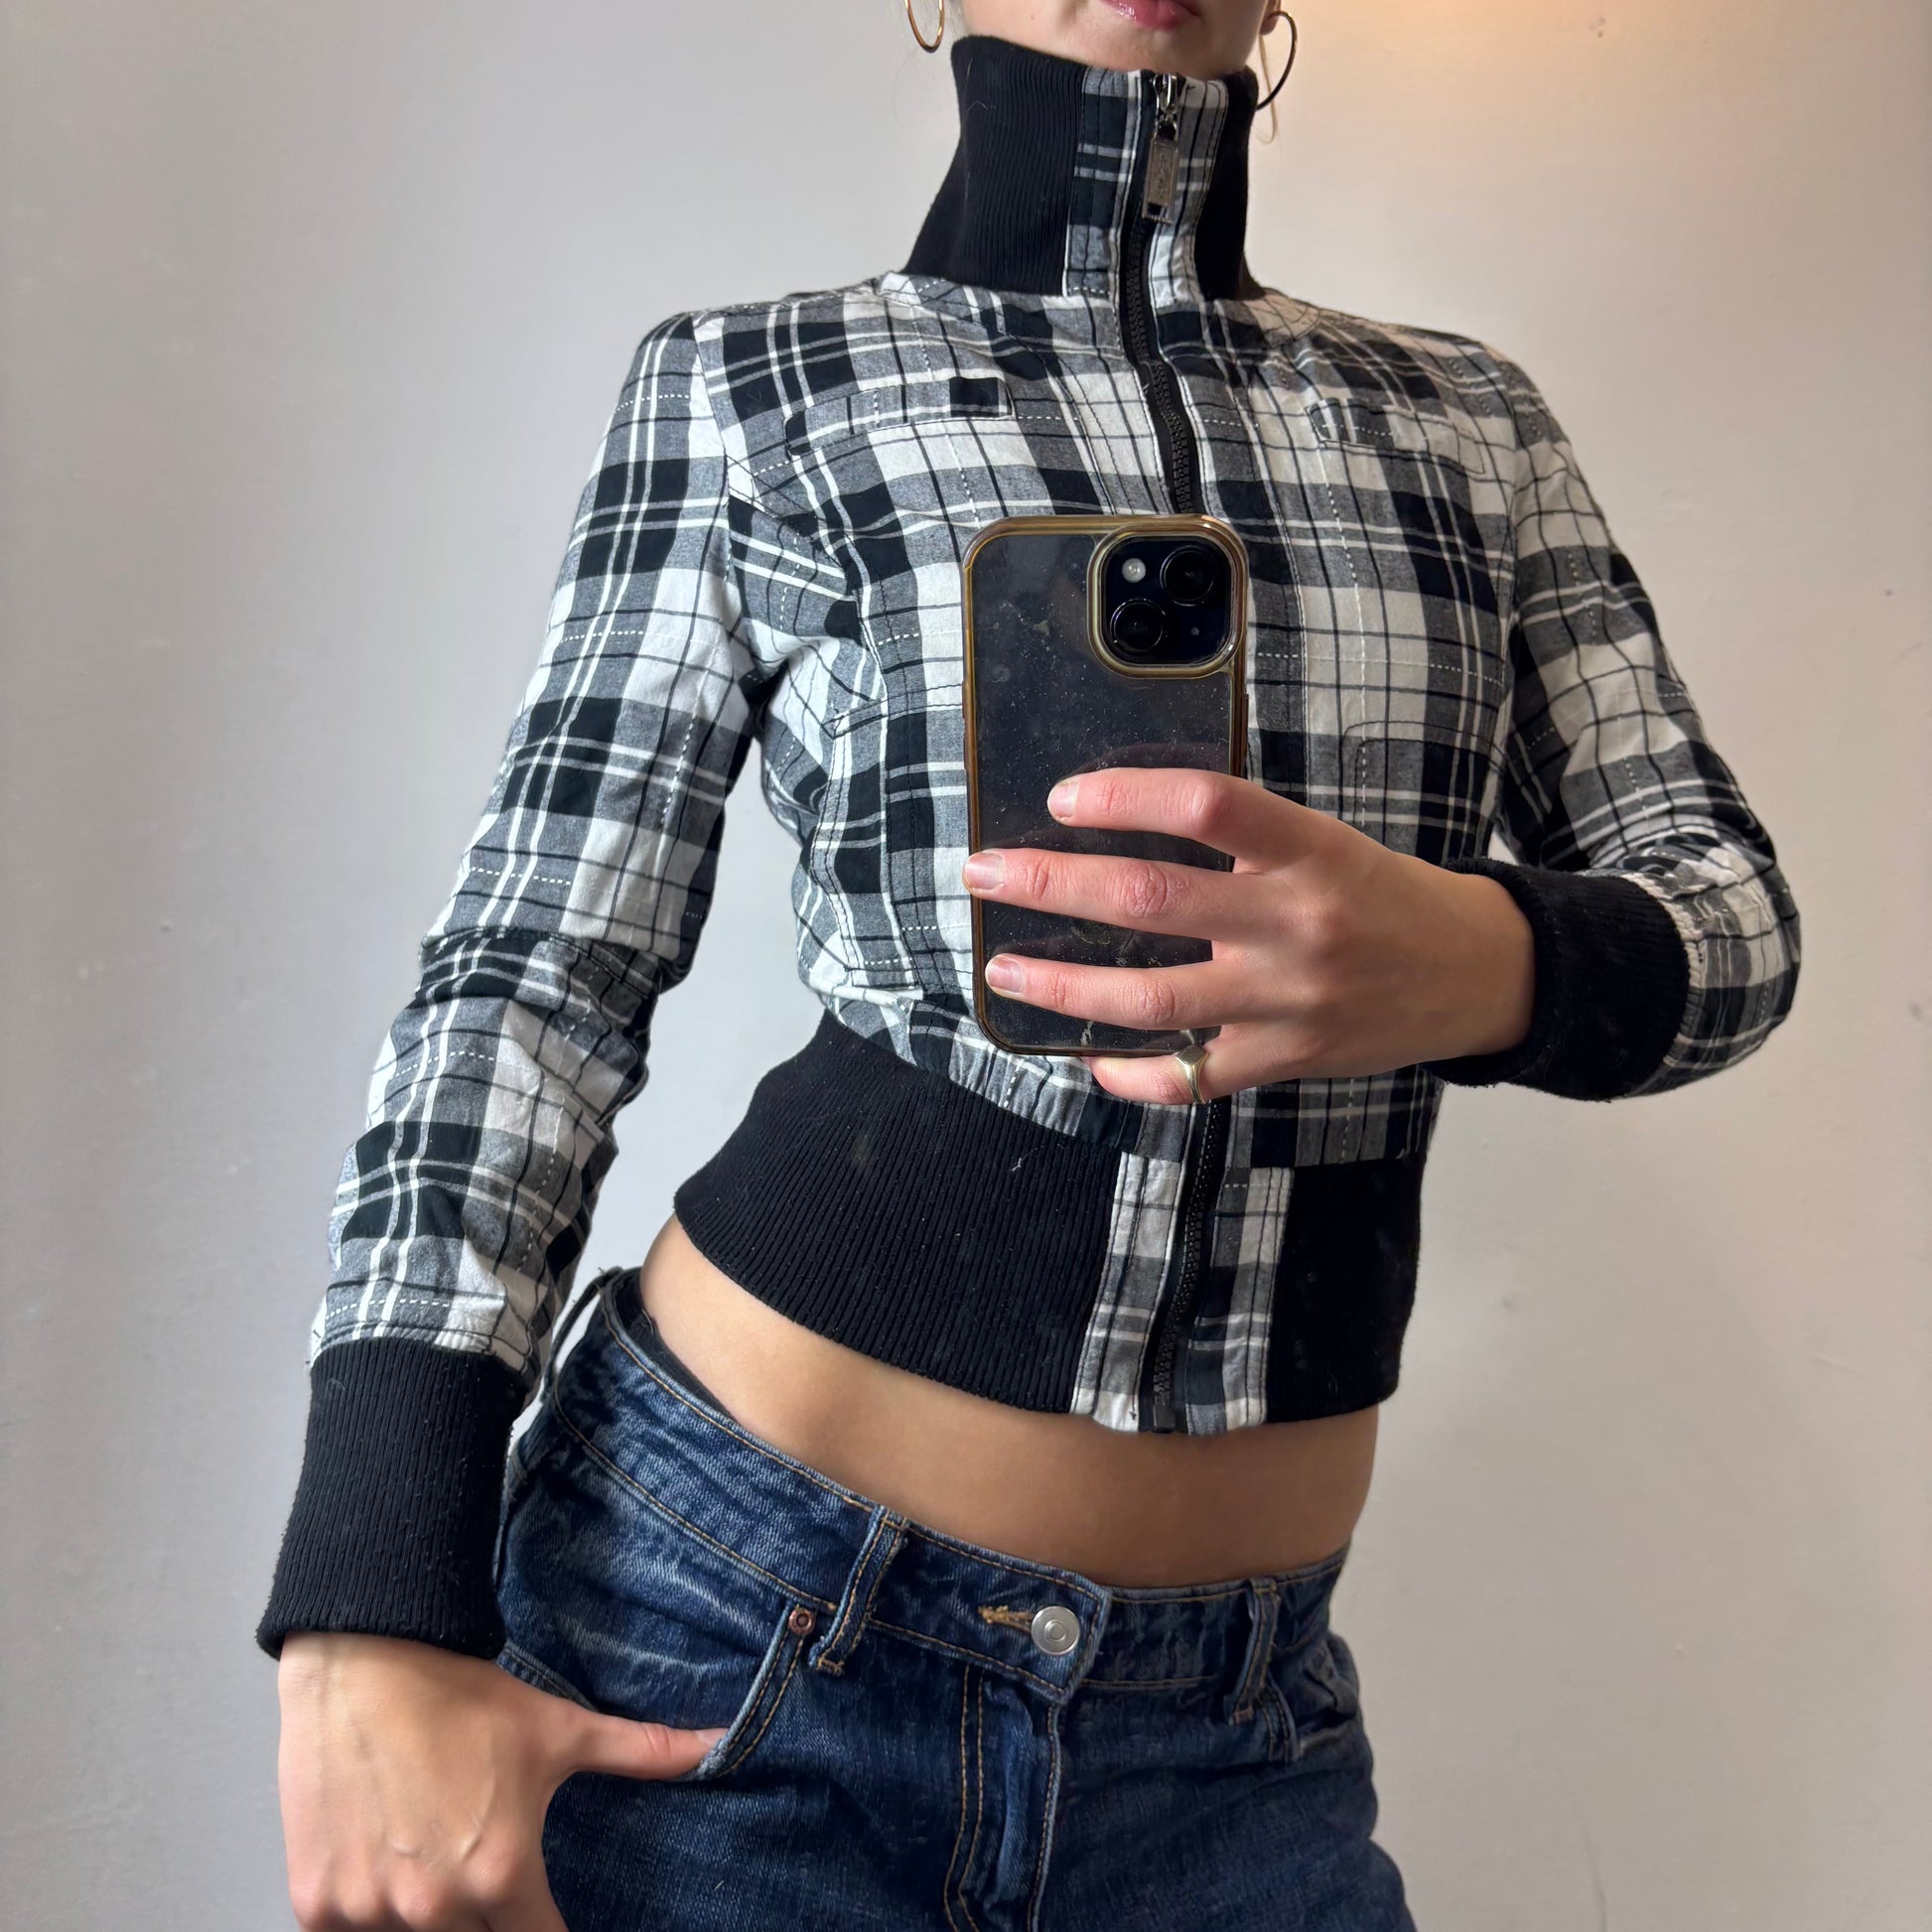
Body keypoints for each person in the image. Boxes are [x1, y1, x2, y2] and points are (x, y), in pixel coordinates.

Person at [261, 3, 1800, 1928]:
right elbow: (530, 981)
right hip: (726, 1623)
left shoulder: (1470, 423)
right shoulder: (758, 385)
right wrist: (370, 1601)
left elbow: (1731, 918)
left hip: (1233, 1729)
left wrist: (1484, 956)